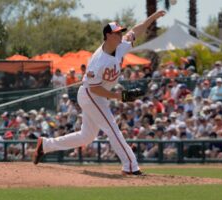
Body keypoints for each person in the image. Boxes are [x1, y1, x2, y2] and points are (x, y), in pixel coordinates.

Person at [33, 10, 166, 176]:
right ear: (108, 36)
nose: (121, 35)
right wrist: (121, 96)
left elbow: (136, 30)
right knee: (112, 128)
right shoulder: (98, 60)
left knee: (86, 137)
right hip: (90, 95)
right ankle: (131, 166)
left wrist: (153, 17)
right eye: (117, 33)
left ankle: (45, 145)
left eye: (120, 33)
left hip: (97, 95)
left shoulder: (119, 47)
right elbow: (94, 88)